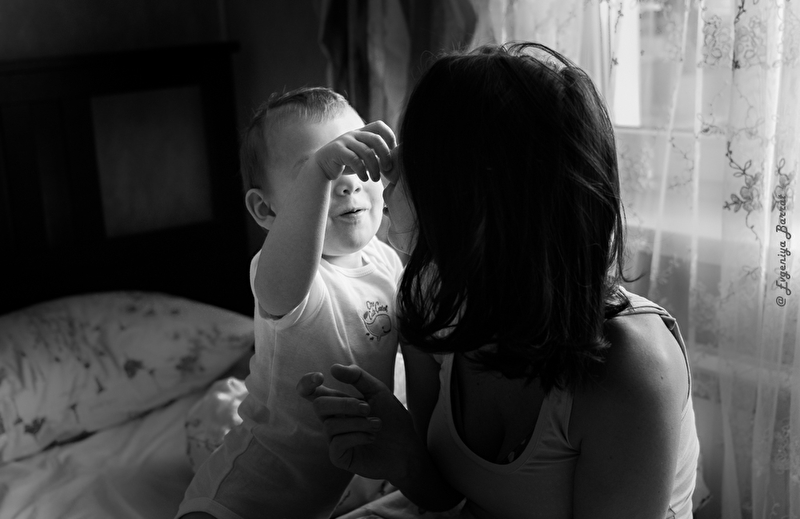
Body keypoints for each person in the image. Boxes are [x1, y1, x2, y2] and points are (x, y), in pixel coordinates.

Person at [298, 43, 700, 518]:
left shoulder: (630, 367)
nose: (388, 169)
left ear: (472, 197)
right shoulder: (430, 299)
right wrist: (402, 456)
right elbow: (445, 498)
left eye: (415, 150)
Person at [177, 87, 404, 519]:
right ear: (266, 211)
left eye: (357, 162)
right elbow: (285, 282)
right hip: (246, 496)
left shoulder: (386, 261)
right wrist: (320, 171)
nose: (348, 181)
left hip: (326, 496)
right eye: (320, 172)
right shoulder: (288, 273)